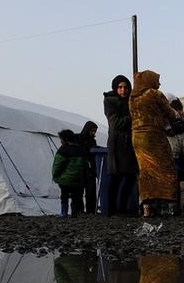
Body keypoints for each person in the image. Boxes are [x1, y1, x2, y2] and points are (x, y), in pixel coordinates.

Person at [129, 70, 178, 217]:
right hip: (154, 136)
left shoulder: (132, 97)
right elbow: (170, 114)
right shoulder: (154, 93)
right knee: (166, 168)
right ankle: (168, 205)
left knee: (146, 171)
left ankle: (147, 207)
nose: (159, 83)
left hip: (137, 138)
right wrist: (177, 115)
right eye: (157, 80)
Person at [104, 75, 138, 217]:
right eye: (120, 87)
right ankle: (112, 210)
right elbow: (115, 123)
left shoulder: (131, 101)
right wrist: (132, 117)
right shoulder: (110, 101)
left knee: (130, 177)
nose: (123, 90)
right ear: (115, 88)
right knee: (115, 178)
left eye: (125, 87)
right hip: (118, 144)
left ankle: (122, 209)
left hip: (129, 144)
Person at [165, 96, 184, 215]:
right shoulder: (167, 117)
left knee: (179, 181)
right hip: (174, 154)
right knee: (174, 180)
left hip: (182, 154)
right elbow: (166, 128)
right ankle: (173, 207)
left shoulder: (182, 118)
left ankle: (177, 207)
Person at [52, 129, 87, 218]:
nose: (60, 141)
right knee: (75, 197)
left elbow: (58, 165)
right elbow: (85, 165)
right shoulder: (81, 150)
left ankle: (64, 213)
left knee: (64, 196)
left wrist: (55, 174)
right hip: (77, 180)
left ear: (66, 139)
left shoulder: (63, 150)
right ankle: (74, 213)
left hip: (65, 180)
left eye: (61, 139)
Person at [76, 121, 99, 214]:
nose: (93, 133)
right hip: (80, 167)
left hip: (90, 168)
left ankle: (90, 210)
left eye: (95, 131)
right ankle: (79, 210)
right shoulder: (78, 138)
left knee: (90, 190)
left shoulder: (92, 141)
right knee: (79, 190)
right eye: (92, 130)